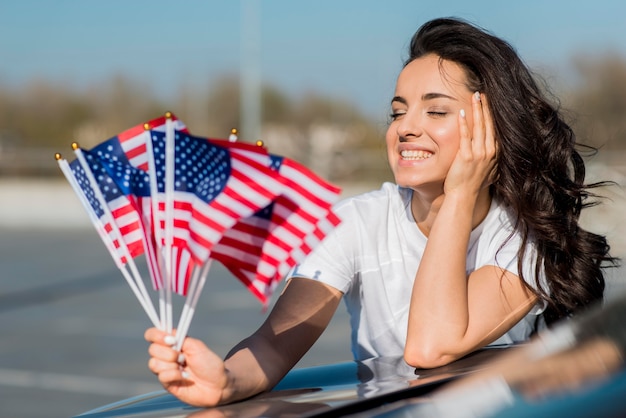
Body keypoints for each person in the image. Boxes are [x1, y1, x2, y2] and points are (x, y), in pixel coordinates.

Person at [144, 17, 617, 408]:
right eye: (397, 112)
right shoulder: (356, 222)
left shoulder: (523, 237)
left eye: (436, 112)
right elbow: (273, 342)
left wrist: (458, 197)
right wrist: (224, 382)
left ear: (490, 131)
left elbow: (430, 347)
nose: (406, 128)